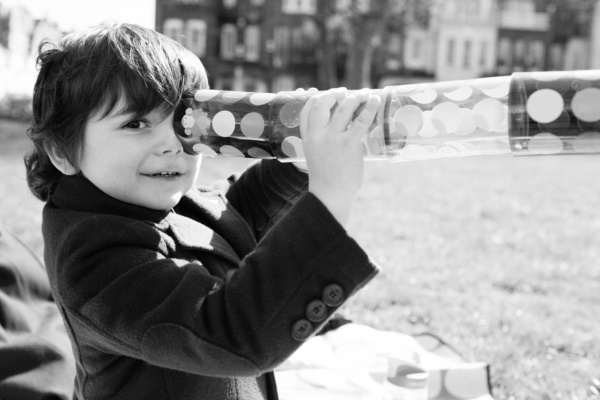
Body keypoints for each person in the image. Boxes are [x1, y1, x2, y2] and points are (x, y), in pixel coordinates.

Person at [24, 22, 381, 400]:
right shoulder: (92, 260)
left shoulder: (153, 198)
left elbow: (234, 217)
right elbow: (232, 333)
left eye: (183, 120)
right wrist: (329, 193)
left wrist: (300, 163)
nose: (172, 144)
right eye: (136, 123)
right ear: (62, 152)